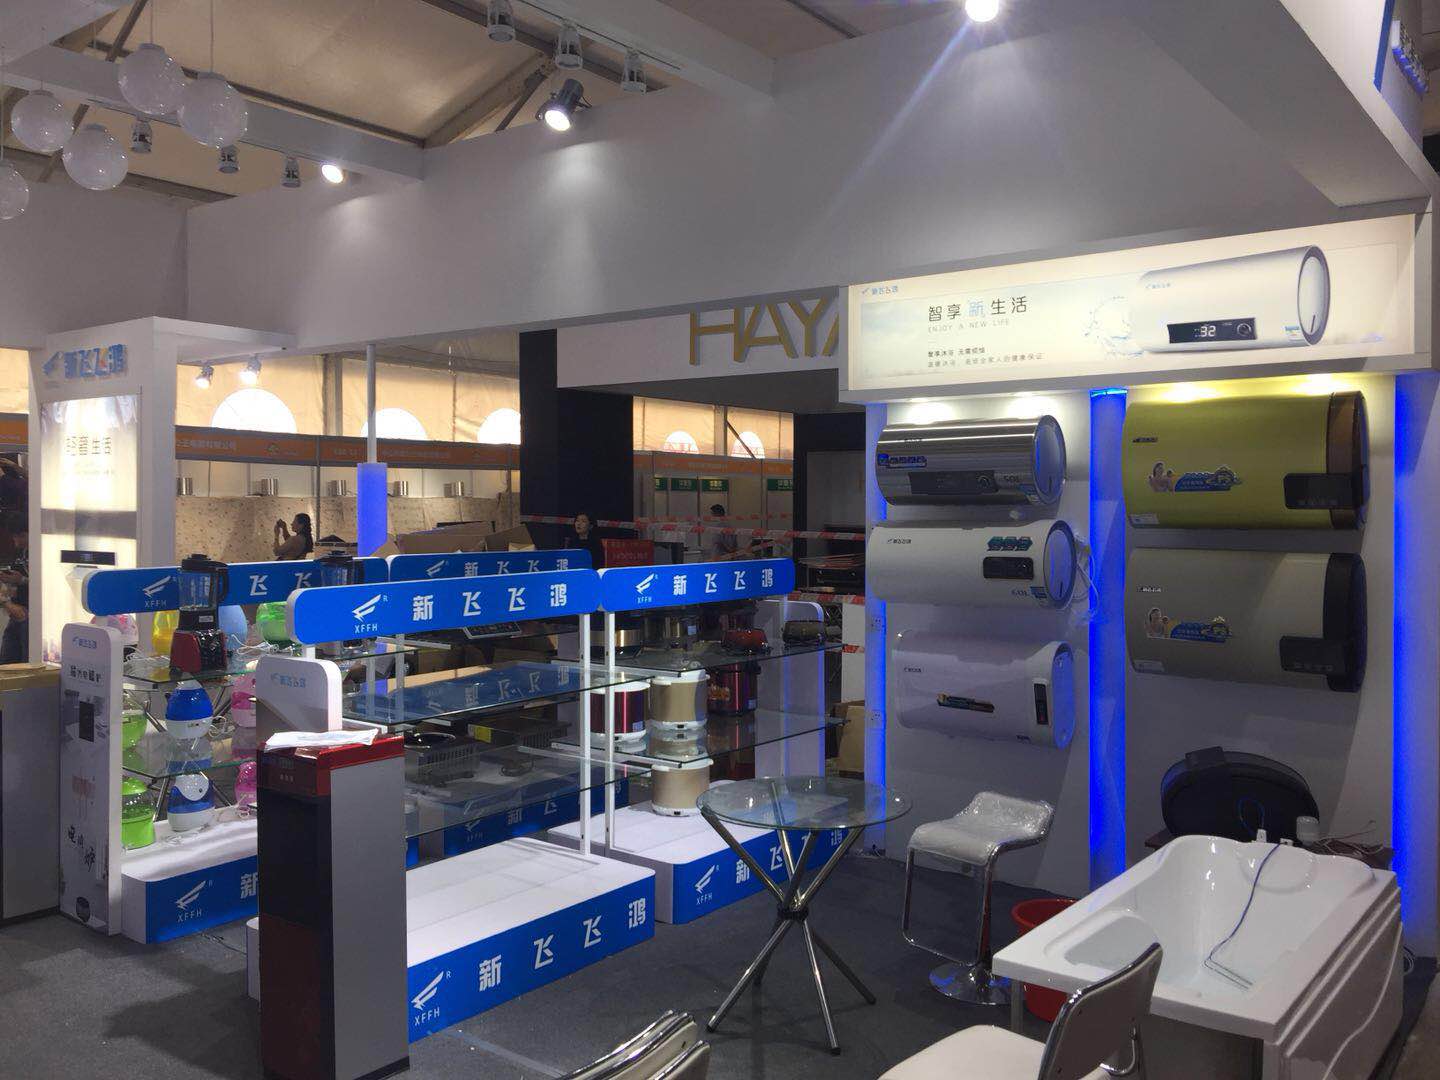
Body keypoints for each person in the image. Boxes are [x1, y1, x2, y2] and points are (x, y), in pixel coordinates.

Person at [0, 511, 28, 663]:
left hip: (29, 615)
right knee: (7, 661)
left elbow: (46, 583)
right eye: (15, 536)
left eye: (21, 536)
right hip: (16, 611)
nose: (16, 540)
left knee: (27, 661)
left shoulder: (42, 553)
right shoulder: (21, 554)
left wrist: (22, 580)